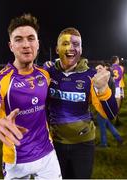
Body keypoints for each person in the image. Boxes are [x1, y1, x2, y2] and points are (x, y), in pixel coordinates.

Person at [0, 13, 61, 180]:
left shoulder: (44, 75)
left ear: (38, 43)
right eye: (18, 39)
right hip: (16, 159)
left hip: (47, 155)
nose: (26, 45)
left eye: (31, 38)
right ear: (11, 46)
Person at [43, 27, 118, 179]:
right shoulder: (47, 73)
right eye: (65, 43)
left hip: (83, 144)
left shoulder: (91, 76)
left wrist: (103, 89)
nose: (71, 47)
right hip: (55, 143)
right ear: (57, 49)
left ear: (81, 49)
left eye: (76, 44)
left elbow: (110, 114)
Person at [95, 63, 123, 147]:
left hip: (105, 104)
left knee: (101, 123)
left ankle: (104, 143)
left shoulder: (106, 79)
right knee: (107, 123)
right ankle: (119, 138)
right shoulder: (109, 77)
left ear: (105, 68)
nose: (98, 70)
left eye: (100, 68)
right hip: (108, 103)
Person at [111, 56, 123, 126]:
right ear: (116, 60)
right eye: (118, 59)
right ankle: (115, 121)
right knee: (117, 104)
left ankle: (111, 119)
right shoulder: (118, 67)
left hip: (110, 88)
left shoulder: (110, 67)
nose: (118, 61)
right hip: (117, 87)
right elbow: (120, 77)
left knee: (111, 104)